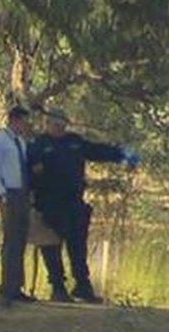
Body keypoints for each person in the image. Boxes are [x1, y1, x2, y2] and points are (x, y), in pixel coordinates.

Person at [29, 108, 140, 303]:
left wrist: (121, 155)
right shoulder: (38, 145)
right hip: (49, 204)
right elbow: (28, 171)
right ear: (47, 124)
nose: (59, 128)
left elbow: (97, 151)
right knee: (51, 247)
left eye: (63, 125)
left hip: (73, 203)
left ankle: (82, 285)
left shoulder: (74, 142)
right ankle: (58, 287)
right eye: (56, 124)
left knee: (78, 246)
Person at [0, 105, 36, 308]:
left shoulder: (20, 142)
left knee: (21, 240)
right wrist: (1, 191)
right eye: (23, 121)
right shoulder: (0, 140)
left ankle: (17, 287)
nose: (25, 125)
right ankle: (6, 288)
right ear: (14, 120)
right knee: (11, 240)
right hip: (9, 194)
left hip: (22, 194)